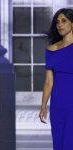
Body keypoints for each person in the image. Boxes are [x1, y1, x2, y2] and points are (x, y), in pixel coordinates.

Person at [39, 8, 73, 149]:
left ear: (72, 24)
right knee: (59, 142)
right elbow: (48, 82)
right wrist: (43, 106)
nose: (60, 25)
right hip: (58, 105)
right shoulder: (52, 50)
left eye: (64, 21)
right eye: (57, 22)